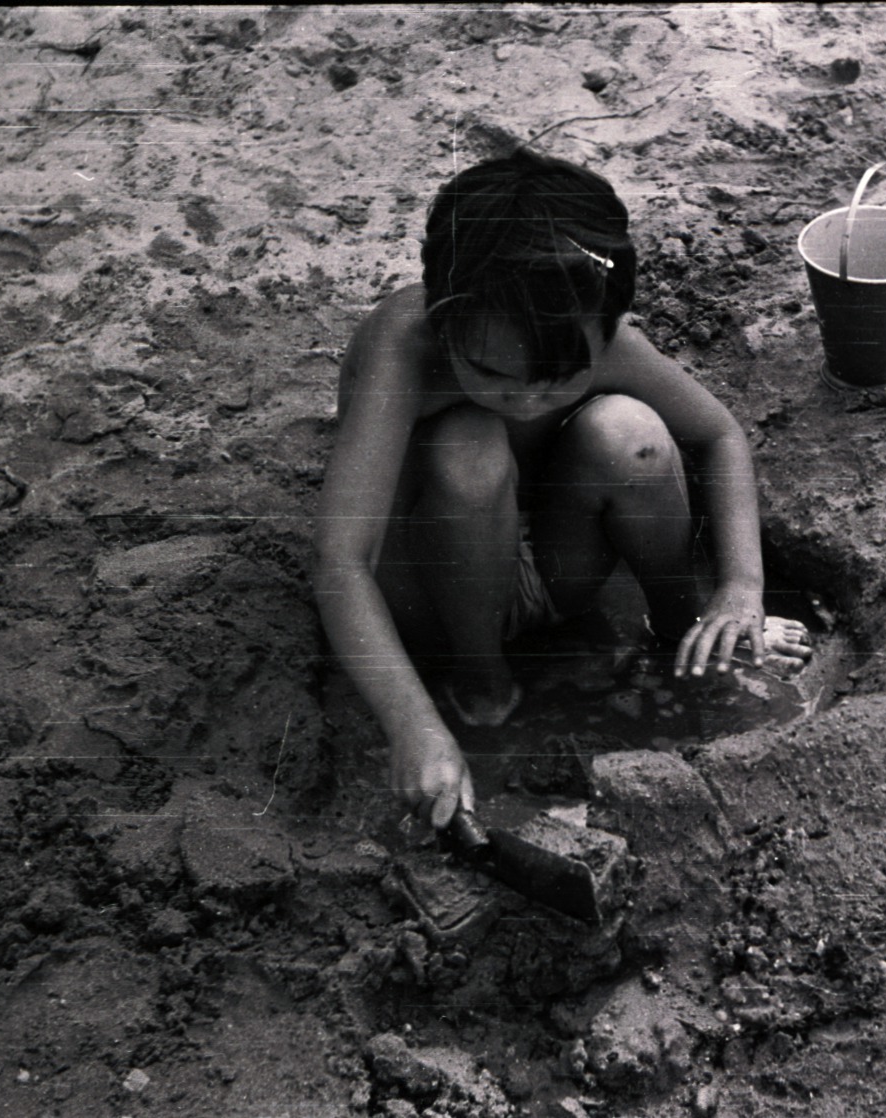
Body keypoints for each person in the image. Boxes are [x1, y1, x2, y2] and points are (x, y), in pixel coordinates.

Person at [313, 150, 812, 831]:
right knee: (470, 444)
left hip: (552, 569)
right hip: (430, 592)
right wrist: (411, 724)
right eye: (493, 371)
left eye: (555, 379)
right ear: (446, 316)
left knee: (630, 431)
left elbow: (718, 434)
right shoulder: (403, 347)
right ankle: (480, 686)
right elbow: (342, 561)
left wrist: (741, 589)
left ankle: (685, 628)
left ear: (603, 330)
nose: (526, 397)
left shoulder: (585, 325)